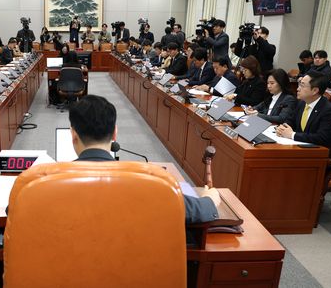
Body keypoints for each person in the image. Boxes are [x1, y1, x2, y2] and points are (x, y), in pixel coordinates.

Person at [68, 95, 220, 224]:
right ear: (115, 134)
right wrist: (210, 199)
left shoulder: (46, 181)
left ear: (73, 135)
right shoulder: (147, 183)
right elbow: (201, 211)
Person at [276, 70, 331, 160]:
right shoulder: (302, 103)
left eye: (302, 85)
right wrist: (283, 128)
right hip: (302, 152)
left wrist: (292, 135)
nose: (298, 89)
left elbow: (322, 138)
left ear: (315, 90)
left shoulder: (329, 110)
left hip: (322, 159)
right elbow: (290, 120)